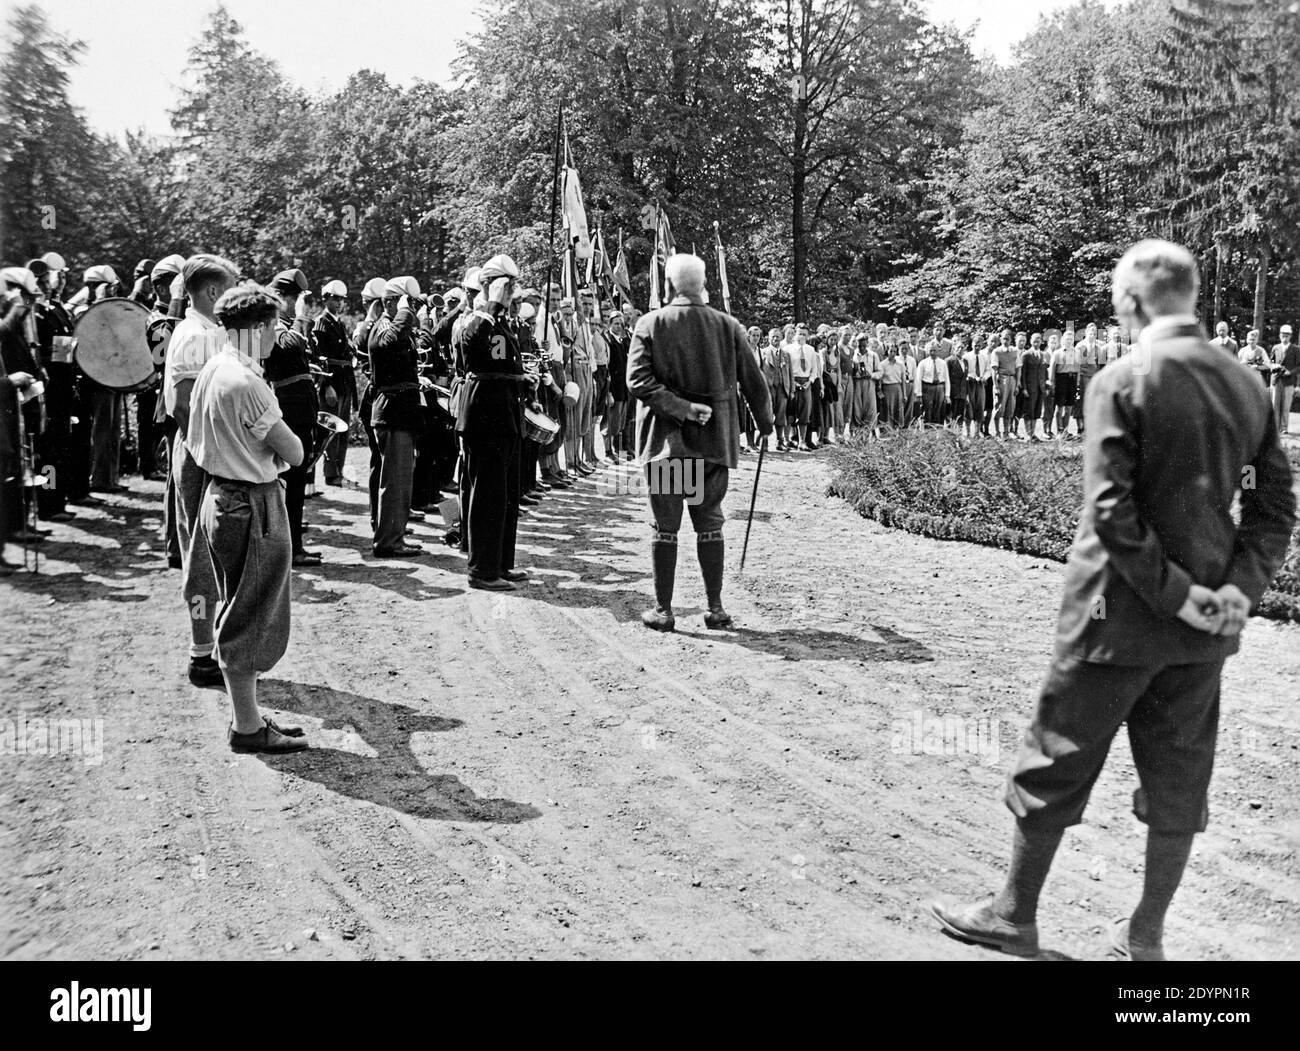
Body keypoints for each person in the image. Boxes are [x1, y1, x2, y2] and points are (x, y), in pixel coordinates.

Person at [931, 239, 1296, 961]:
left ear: (1130, 304)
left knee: (1054, 760)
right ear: (1190, 297)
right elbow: (1275, 510)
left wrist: (1178, 596)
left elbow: (1111, 512)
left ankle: (1013, 913)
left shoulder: (1122, 381)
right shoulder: (1248, 384)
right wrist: (1232, 593)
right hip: (1202, 633)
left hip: (1113, 618)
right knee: (1180, 777)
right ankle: (1145, 934)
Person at [189, 283, 307, 754]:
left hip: (218, 495)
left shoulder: (213, 369)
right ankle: (246, 728)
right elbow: (294, 452)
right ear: (258, 328)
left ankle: (249, 716)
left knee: (238, 599)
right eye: (274, 325)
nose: (277, 332)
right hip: (251, 500)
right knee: (252, 611)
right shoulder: (247, 381)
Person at [627, 253, 773, 631]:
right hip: (714, 445)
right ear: (703, 282)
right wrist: (766, 422)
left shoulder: (651, 323)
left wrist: (679, 408)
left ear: (669, 282)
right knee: (710, 523)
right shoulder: (728, 326)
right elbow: (754, 382)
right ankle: (715, 607)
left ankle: (663, 611)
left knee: (666, 527)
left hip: (667, 445)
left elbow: (638, 381)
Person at [164, 254, 239, 687]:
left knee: (214, 547)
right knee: (202, 552)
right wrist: (213, 451)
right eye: (230, 287)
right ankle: (201, 654)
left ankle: (214, 646)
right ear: (213, 292)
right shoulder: (194, 335)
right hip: (202, 453)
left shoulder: (208, 330)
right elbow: (181, 405)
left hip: (210, 449)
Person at [456, 254, 534, 590]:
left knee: (505, 495)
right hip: (484, 418)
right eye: (507, 285)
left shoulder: (501, 324)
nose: (511, 292)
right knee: (486, 494)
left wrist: (522, 377)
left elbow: (499, 363)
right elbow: (470, 348)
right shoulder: (472, 320)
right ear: (487, 286)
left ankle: (501, 562)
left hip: (505, 416)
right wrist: (488, 305)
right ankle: (481, 570)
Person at [264, 269, 321, 567]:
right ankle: (291, 549)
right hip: (289, 412)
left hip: (299, 411)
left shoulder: (282, 323)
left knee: (296, 483)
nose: (302, 306)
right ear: (283, 298)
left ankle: (293, 543)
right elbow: (291, 345)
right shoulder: (270, 323)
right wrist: (300, 317)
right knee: (292, 481)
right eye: (297, 299)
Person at [368, 276, 426, 558]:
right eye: (406, 301)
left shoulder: (398, 327)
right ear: (389, 302)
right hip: (391, 411)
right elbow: (390, 342)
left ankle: (395, 535)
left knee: (401, 480)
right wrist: (404, 311)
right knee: (394, 481)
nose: (411, 308)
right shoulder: (383, 327)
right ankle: (388, 541)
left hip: (401, 412)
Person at [313, 279, 355, 486]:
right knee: (331, 430)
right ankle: (331, 474)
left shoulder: (338, 323)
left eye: (341, 299)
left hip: (344, 381)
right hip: (331, 382)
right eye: (335, 299)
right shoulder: (320, 324)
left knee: (343, 430)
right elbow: (319, 357)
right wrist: (325, 385)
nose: (339, 303)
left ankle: (338, 470)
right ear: (325, 299)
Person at [763, 327, 793, 450]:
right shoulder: (763, 352)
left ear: (781, 338)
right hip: (768, 389)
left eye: (778, 336)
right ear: (768, 338)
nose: (775, 339)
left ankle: (780, 442)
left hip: (782, 388)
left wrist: (791, 390)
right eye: (773, 336)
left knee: (781, 415)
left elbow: (790, 374)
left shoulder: (786, 354)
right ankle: (764, 443)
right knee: (767, 416)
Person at [1019, 333, 1048, 441]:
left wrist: (1045, 386)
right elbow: (1023, 373)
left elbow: (1044, 372)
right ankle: (1028, 434)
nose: (1037, 343)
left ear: (1041, 342)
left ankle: (1033, 434)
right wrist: (1024, 388)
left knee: (1037, 412)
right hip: (1030, 388)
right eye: (1035, 341)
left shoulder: (1043, 354)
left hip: (1040, 388)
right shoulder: (1026, 355)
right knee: (1029, 411)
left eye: (1039, 340)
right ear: (1031, 341)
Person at [1269, 324, 1297, 435]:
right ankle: (1275, 427)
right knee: (1274, 404)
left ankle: (1284, 427)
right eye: (1283, 335)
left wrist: (1290, 372)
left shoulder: (1296, 349)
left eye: (1287, 336)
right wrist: (1273, 366)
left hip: (1289, 381)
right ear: (1279, 336)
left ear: (1290, 336)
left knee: (1286, 406)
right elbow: (1270, 362)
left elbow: (1299, 366)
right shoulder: (1275, 348)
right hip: (1276, 380)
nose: (1284, 338)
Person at [914, 339, 949, 426]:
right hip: (927, 388)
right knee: (928, 409)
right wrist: (919, 394)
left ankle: (939, 431)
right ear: (928, 351)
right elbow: (918, 379)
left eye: (934, 350)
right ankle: (928, 431)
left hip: (940, 387)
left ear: (938, 351)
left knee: (939, 409)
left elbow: (947, 379)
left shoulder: (943, 363)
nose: (933, 353)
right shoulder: (923, 363)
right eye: (931, 351)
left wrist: (947, 394)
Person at [992, 330, 1018, 439]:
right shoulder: (997, 352)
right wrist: (996, 386)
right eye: (1003, 339)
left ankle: (1006, 432)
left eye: (1008, 339)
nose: (1005, 341)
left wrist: (1017, 384)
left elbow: (1018, 368)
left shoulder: (1015, 351)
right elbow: (994, 370)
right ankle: (997, 432)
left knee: (1010, 407)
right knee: (999, 406)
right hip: (1001, 379)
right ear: (1001, 339)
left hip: (1012, 379)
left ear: (1011, 340)